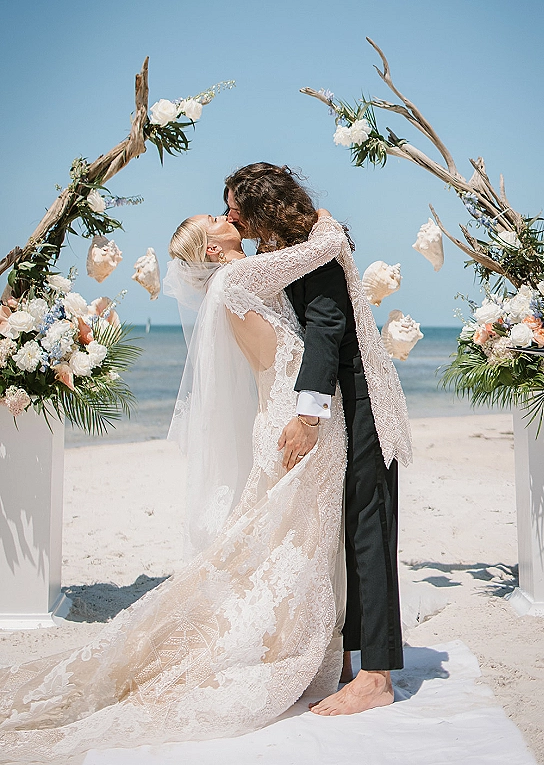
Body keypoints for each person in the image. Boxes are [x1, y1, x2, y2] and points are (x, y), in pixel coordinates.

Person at [0, 210, 351, 763]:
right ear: (212, 250)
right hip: (293, 422)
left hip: (280, 414)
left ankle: (303, 648)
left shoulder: (246, 276)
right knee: (295, 545)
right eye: (216, 218)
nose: (226, 214)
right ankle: (293, 655)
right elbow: (315, 254)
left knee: (292, 546)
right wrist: (329, 229)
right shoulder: (240, 278)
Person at [224, 162, 412, 716]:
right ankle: (348, 660)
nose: (232, 215)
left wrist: (306, 418)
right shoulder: (293, 247)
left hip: (362, 399)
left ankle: (377, 676)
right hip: (337, 397)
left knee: (368, 531)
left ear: (263, 205)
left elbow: (326, 330)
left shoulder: (318, 246)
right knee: (338, 530)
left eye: (237, 205)